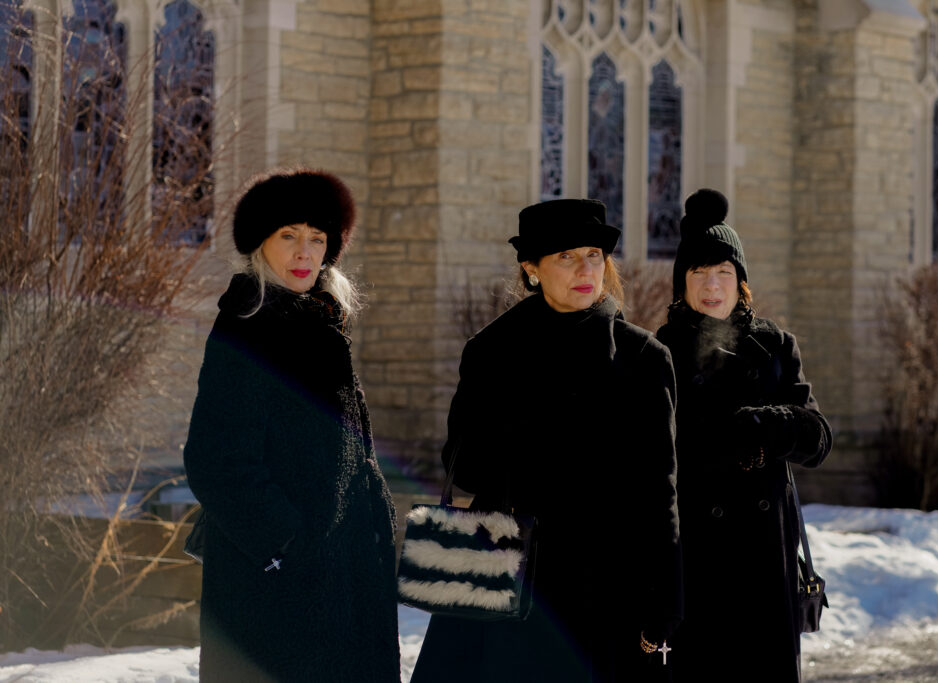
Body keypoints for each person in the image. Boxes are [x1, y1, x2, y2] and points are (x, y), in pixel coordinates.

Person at [410, 199, 683, 683]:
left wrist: (664, 596)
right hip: (507, 579)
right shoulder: (491, 351)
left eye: (594, 255)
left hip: (605, 586)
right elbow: (465, 468)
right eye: (566, 257)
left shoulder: (644, 358)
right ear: (531, 269)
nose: (586, 269)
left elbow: (658, 489)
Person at [183, 168, 400, 682]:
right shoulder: (249, 325)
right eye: (289, 236)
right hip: (278, 585)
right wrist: (285, 544)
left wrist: (373, 520)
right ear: (262, 243)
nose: (305, 253)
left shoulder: (318, 320)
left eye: (317, 239)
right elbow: (216, 460)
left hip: (341, 573)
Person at [655, 189, 833, 682]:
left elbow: (818, 439)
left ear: (742, 281)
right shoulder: (659, 353)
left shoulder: (776, 346)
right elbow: (658, 460)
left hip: (767, 564)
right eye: (699, 273)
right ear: (682, 283)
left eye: (724, 273)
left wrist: (765, 425)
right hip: (697, 563)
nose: (712, 286)